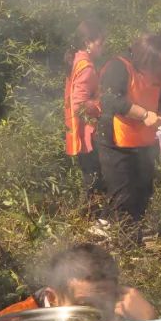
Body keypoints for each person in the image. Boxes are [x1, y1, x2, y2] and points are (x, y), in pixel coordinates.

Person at [0, 243, 156, 321]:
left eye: (108, 301)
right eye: (86, 306)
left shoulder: (124, 307)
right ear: (52, 298)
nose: (100, 315)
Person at [96, 33, 161, 227]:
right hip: (117, 143)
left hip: (145, 144)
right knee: (124, 196)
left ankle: (134, 240)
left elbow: (159, 95)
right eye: (155, 62)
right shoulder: (118, 67)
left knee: (143, 192)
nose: (158, 67)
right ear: (144, 57)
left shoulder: (155, 70)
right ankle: (127, 248)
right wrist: (145, 115)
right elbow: (110, 100)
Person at [64, 19, 106, 201]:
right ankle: (91, 219)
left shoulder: (77, 59)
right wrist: (99, 105)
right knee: (93, 178)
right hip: (86, 132)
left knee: (91, 177)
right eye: (100, 43)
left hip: (78, 128)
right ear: (87, 42)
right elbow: (79, 103)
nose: (102, 48)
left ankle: (88, 220)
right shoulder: (86, 67)